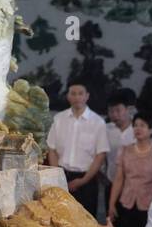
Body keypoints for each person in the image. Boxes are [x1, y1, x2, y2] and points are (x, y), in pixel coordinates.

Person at [47, 83, 109, 219]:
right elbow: (52, 149)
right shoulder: (59, 119)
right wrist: (58, 177)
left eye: (80, 93)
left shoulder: (98, 122)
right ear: (68, 96)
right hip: (62, 178)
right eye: (73, 93)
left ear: (87, 96)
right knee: (60, 219)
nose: (77, 97)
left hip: (87, 181)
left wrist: (83, 180)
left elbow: (100, 155)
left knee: (86, 223)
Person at [106, 114, 152, 227]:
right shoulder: (125, 150)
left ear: (151, 130)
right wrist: (112, 203)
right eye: (135, 125)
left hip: (150, 205)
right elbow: (119, 179)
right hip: (126, 202)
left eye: (142, 125)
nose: (137, 129)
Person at [102, 91, 136, 216]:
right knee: (111, 219)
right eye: (111, 111)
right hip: (111, 182)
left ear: (128, 110)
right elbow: (101, 154)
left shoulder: (137, 130)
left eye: (118, 110)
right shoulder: (106, 129)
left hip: (132, 185)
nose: (114, 115)